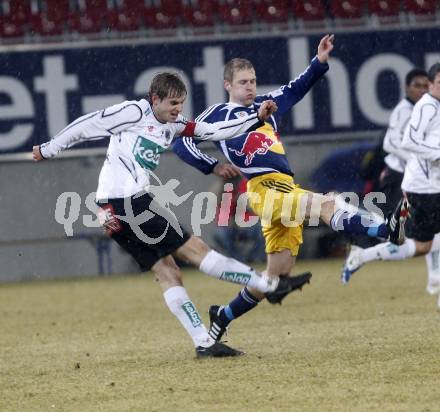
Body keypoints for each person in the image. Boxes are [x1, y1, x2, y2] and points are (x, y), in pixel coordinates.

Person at [32, 72, 311, 359]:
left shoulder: (174, 124)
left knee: (167, 270)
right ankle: (268, 284)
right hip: (128, 203)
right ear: (155, 99)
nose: (178, 109)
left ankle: (203, 342)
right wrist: (49, 148)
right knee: (197, 251)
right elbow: (87, 124)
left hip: (112, 209)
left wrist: (255, 119)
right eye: (173, 103)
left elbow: (213, 131)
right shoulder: (134, 111)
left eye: (182, 103)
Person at [172, 34, 407, 342]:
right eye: (243, 82)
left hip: (284, 188)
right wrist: (212, 165)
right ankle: (385, 231)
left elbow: (296, 88)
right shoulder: (217, 115)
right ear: (228, 85)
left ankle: (221, 318)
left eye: (253, 81)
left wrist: (319, 62)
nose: (250, 87)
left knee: (274, 277)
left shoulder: (266, 106)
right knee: (329, 203)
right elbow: (181, 141)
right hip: (262, 188)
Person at [341, 63, 440, 307]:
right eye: (417, 85)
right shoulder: (415, 108)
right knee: (401, 233)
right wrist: (434, 155)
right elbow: (398, 142)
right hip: (410, 180)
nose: (420, 89)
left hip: (424, 181)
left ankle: (363, 253)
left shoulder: (431, 106)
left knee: (420, 242)